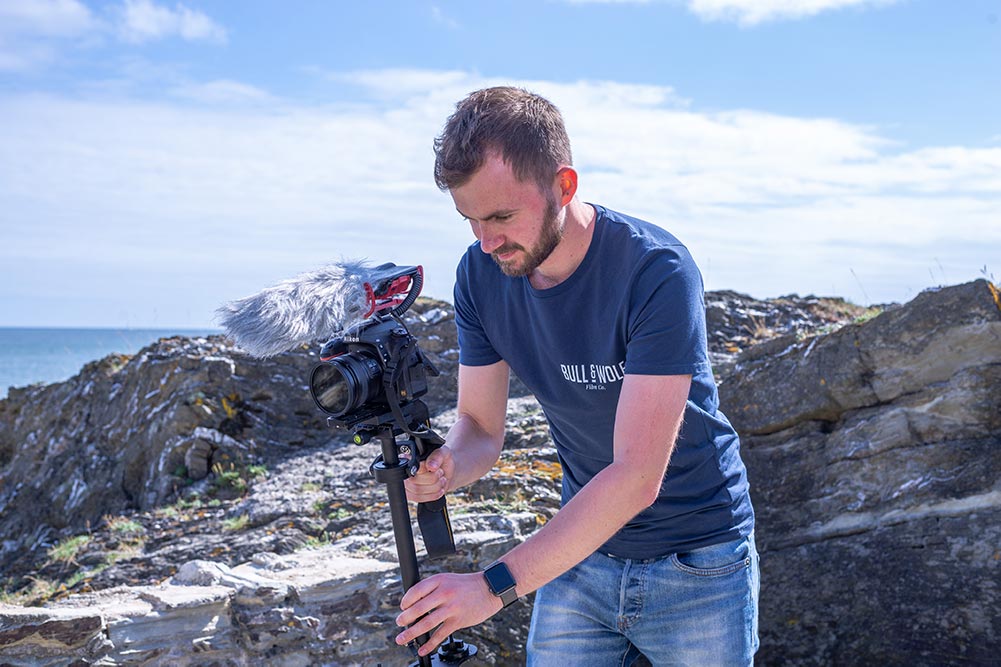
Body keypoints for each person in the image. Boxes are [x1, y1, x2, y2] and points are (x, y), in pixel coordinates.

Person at [395, 86, 758, 666]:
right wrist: (447, 468)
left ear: (564, 186)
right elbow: (479, 426)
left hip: (700, 560)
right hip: (580, 553)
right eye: (470, 221)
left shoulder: (655, 271)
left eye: (501, 217)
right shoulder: (480, 276)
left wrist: (490, 588)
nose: (487, 242)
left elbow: (637, 476)